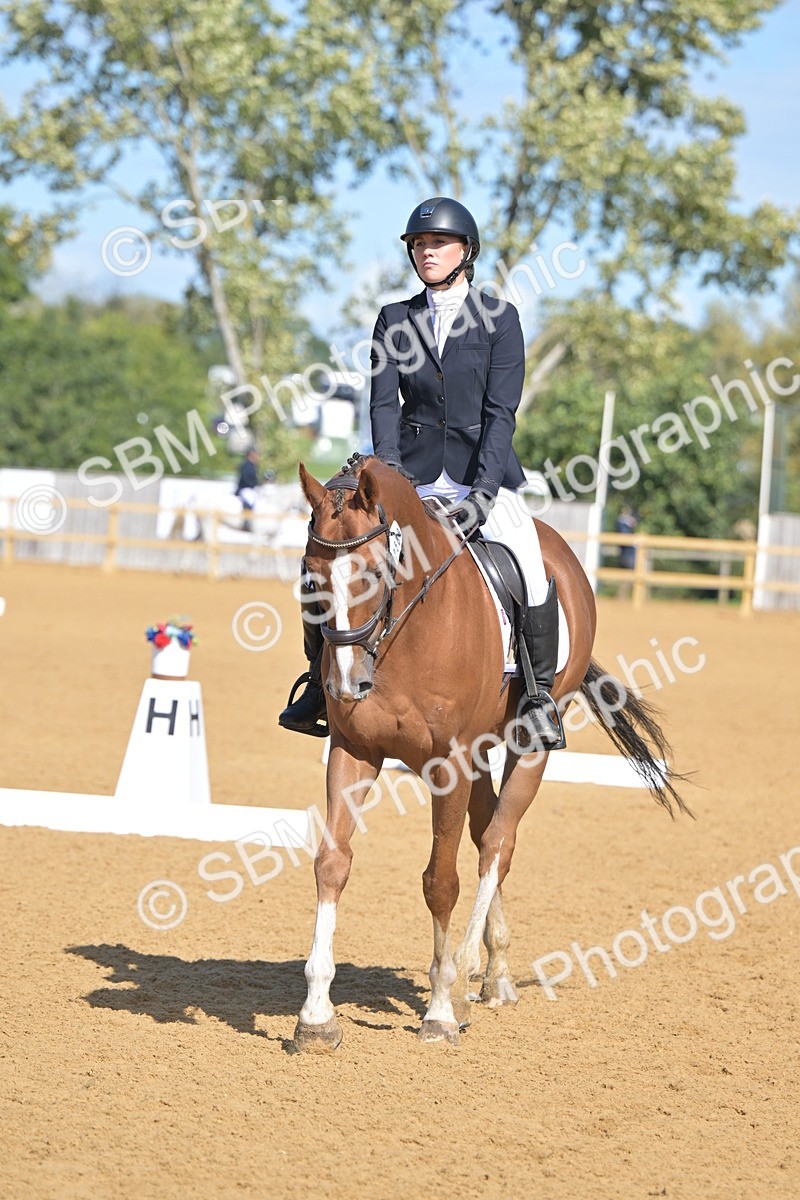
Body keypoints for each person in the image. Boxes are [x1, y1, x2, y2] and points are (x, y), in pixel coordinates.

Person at [279, 196, 564, 749]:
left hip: (480, 476)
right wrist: (387, 477)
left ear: (466, 252)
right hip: (405, 473)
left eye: (437, 244)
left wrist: (483, 493)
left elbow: (500, 414)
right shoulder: (394, 319)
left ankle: (538, 696)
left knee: (529, 562)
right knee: (330, 554)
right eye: (419, 245)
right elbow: (384, 405)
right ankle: (318, 682)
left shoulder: (500, 321)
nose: (426, 252)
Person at [235, 448, 260, 533]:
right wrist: (254, 484)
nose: (257, 456)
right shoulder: (245, 465)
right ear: (250, 455)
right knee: (250, 500)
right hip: (244, 488)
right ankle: (246, 522)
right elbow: (245, 479)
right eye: (255, 454)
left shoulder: (254, 465)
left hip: (251, 489)